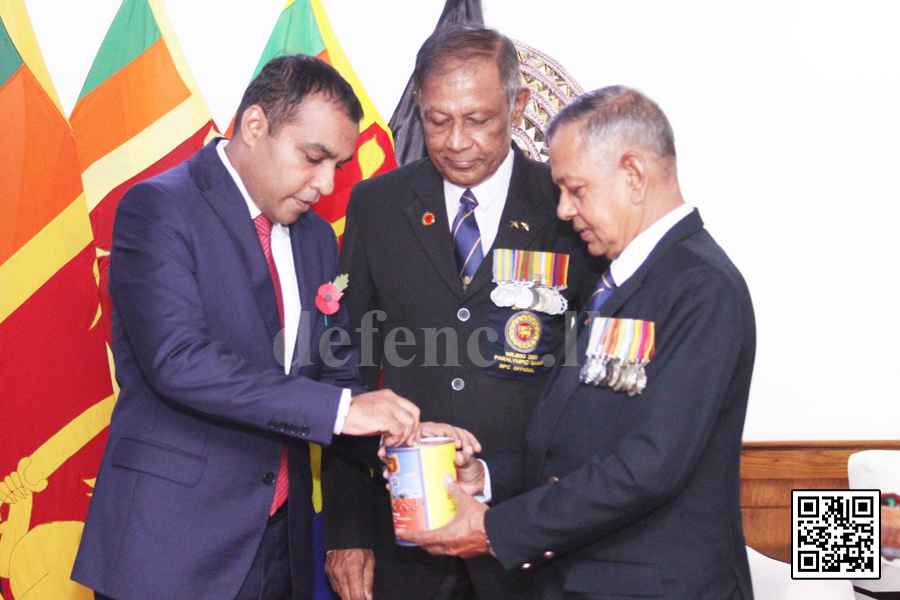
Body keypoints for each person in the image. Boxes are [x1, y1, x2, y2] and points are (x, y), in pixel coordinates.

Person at [71, 55, 423, 600]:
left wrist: (398, 437)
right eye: (314, 157)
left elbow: (337, 371)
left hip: (282, 542)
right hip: (170, 547)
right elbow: (180, 361)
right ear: (255, 126)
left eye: (339, 164)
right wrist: (344, 412)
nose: (328, 183)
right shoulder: (159, 208)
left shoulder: (315, 239)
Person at [399, 86, 757, 600]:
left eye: (575, 189)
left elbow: (650, 465)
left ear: (633, 175)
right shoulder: (620, 284)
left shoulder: (701, 288)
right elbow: (573, 443)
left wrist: (498, 529)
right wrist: (486, 477)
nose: (564, 210)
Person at [322, 24, 600, 600]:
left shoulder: (566, 207)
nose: (455, 141)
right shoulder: (376, 205)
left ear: (518, 106)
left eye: (477, 120)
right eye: (437, 119)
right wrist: (347, 530)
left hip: (530, 531)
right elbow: (346, 374)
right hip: (404, 533)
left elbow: (594, 382)